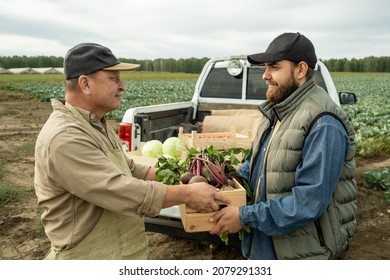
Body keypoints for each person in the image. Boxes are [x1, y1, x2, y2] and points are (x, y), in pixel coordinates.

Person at [34, 43, 229, 260]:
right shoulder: (64, 137)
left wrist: (178, 172)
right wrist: (187, 194)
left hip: (121, 250)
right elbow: (116, 189)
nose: (122, 86)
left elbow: (128, 168)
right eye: (113, 78)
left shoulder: (94, 123)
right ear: (85, 83)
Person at [209, 32, 357, 260]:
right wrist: (227, 181)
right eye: (265, 68)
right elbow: (255, 167)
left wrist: (244, 217)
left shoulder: (323, 122)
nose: (266, 76)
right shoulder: (277, 110)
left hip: (303, 252)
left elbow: (309, 202)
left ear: (300, 70)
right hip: (267, 244)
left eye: (274, 67)